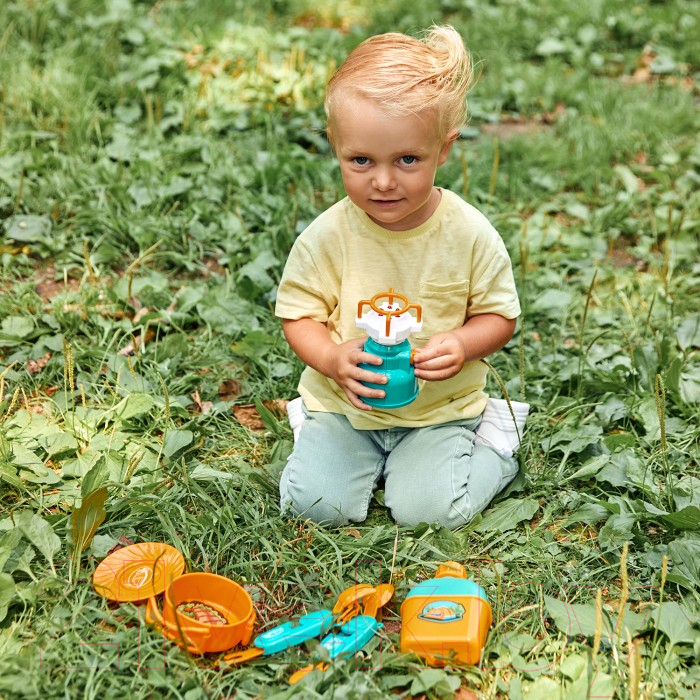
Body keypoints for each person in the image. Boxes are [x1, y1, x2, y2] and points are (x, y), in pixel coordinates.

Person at [274, 25, 528, 530]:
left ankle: (495, 446)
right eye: (361, 160)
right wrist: (330, 357)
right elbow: (298, 314)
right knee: (311, 507)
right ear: (335, 146)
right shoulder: (328, 236)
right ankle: (325, 438)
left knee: (428, 513)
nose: (384, 181)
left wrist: (462, 343)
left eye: (408, 159)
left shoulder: (469, 235)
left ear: (445, 149)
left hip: (439, 411)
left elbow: (499, 316)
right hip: (346, 408)